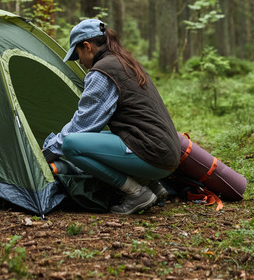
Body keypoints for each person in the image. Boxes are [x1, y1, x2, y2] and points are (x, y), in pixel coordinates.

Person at [42, 19, 181, 214]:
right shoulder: (125, 62)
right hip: (165, 152)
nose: (80, 62)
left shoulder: (103, 72)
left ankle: (136, 192)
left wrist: (50, 150)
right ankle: (152, 185)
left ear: (87, 47)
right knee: (99, 138)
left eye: (77, 54)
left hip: (153, 155)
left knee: (71, 145)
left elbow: (83, 124)